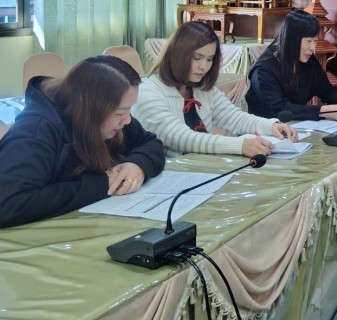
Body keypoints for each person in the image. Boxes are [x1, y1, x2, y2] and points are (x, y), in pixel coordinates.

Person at [0, 55, 165, 228]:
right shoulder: (35, 132)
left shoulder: (113, 121)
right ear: (90, 108)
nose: (127, 120)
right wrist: (101, 184)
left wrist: (138, 165)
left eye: (129, 109)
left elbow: (150, 142)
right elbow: (9, 205)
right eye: (120, 112)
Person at [134, 21, 297, 158]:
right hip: (170, 176)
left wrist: (271, 126)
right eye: (197, 58)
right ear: (178, 55)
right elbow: (184, 139)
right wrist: (241, 145)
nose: (204, 66)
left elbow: (234, 117)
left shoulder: (200, 88)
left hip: (201, 169)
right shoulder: (148, 93)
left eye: (210, 59)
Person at [246, 10, 337, 120]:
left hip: (296, 127)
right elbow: (279, 109)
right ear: (291, 39)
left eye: (315, 41)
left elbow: (327, 91)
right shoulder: (264, 69)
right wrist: (322, 111)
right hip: (264, 131)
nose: (313, 48)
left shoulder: (307, 60)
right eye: (308, 41)